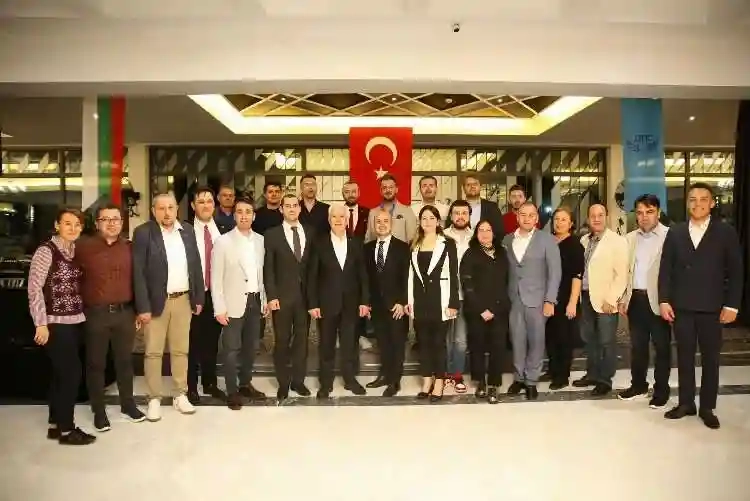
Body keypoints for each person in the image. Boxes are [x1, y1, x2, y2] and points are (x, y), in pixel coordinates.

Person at [659, 182, 742, 429]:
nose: (698, 204)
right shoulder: (676, 232)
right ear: (687, 204)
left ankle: (707, 407)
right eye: (693, 199)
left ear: (712, 203)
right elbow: (665, 270)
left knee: (710, 359)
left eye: (703, 199)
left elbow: (736, 272)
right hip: (682, 306)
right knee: (684, 357)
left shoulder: (725, 232)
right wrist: (664, 300)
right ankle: (686, 403)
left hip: (712, 307)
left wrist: (732, 305)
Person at [132, 193, 205, 421]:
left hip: (183, 299)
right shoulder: (144, 233)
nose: (167, 213)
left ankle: (180, 394)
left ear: (177, 210)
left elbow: (195, 265)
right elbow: (138, 272)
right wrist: (142, 306)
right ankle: (154, 398)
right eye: (161, 208)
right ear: (153, 211)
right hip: (156, 302)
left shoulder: (187, 231)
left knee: (181, 350)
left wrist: (198, 297)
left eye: (170, 208)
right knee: (153, 352)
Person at [28, 208, 96, 445]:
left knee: (60, 374)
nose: (73, 228)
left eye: (77, 224)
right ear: (57, 225)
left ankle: (55, 424)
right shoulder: (46, 251)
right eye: (68, 223)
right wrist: (40, 323)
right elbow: (34, 289)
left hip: (75, 320)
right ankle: (67, 430)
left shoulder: (75, 250)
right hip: (55, 323)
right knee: (71, 374)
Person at [75, 202, 145, 432]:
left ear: (122, 223)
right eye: (105, 219)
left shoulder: (130, 248)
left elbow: (138, 280)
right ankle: (98, 410)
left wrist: (138, 309)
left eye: (115, 219)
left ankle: (128, 404)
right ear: (97, 223)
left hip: (125, 313)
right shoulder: (83, 247)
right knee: (96, 364)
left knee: (124, 362)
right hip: (95, 314)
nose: (111, 223)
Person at [307, 204, 370, 398]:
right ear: (329, 220)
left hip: (351, 304)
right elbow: (312, 276)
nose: (338, 220)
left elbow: (363, 275)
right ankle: (325, 384)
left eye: (341, 217)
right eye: (334, 217)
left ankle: (350, 380)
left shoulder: (356, 243)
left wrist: (364, 301)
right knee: (326, 345)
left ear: (347, 220)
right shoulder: (319, 243)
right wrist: (313, 304)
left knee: (350, 344)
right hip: (326, 304)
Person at [211, 197, 267, 410]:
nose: (244, 216)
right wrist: (219, 307)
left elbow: (262, 274)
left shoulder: (260, 241)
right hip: (232, 302)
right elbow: (216, 279)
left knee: (251, 347)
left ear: (254, 216)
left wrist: (264, 299)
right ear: (234, 216)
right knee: (231, 349)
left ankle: (245, 383)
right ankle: (232, 391)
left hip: (255, 300)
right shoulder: (223, 242)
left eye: (248, 212)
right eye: (240, 212)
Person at [503, 202, 561, 400]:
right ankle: (519, 377)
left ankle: (531, 381)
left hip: (538, 299)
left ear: (536, 218)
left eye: (531, 215)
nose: (527, 218)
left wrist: (550, 300)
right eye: (523, 214)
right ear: (517, 217)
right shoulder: (507, 240)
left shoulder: (547, 240)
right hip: (514, 299)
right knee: (517, 340)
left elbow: (555, 272)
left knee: (536, 341)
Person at [617, 195, 671, 407]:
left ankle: (661, 390)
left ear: (658, 212)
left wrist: (670, 300)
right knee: (638, 347)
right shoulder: (629, 239)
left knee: (662, 348)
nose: (644, 217)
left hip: (660, 301)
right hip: (636, 300)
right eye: (640, 213)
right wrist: (623, 298)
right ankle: (638, 385)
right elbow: (626, 271)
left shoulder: (670, 236)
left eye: (649, 212)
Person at [406, 205, 459, 402]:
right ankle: (427, 381)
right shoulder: (414, 244)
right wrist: (409, 301)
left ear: (438, 221)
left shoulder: (448, 243)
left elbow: (453, 274)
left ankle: (439, 383)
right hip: (420, 300)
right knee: (424, 343)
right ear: (419, 222)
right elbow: (411, 275)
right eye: (424, 218)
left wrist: (453, 302)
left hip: (440, 299)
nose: (427, 221)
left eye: (431, 218)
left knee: (438, 343)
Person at [263, 194, 315, 400]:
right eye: (288, 206)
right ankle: (283, 383)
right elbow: (269, 268)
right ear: (281, 209)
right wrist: (271, 295)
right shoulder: (272, 234)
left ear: (300, 209)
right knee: (282, 341)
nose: (292, 209)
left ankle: (298, 381)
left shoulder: (310, 232)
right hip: (282, 298)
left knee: (302, 341)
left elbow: (313, 267)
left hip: (305, 298)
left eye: (295, 205)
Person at [574, 203, 628, 396]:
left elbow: (622, 274)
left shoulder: (617, 241)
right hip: (586, 296)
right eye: (593, 215)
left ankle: (605, 379)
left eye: (600, 215)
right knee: (589, 339)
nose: (596, 219)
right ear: (588, 218)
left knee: (606, 341)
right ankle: (592, 373)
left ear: (607, 217)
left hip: (606, 299)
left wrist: (612, 299)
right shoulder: (583, 240)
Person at [460, 219, 510, 404]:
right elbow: (467, 284)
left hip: (499, 309)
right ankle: (480, 381)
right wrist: (481, 309)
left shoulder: (503, 253)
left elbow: (507, 282)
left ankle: (494, 385)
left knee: (498, 347)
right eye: (481, 230)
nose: (485, 233)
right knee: (477, 347)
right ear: (476, 234)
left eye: (488, 230)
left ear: (494, 233)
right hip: (476, 310)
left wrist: (495, 309)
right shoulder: (470, 254)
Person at [363, 209, 410, 396]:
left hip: (396, 306)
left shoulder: (402, 247)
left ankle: (395, 380)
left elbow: (407, 277)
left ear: (391, 224)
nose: (381, 225)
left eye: (385, 221)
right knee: (382, 342)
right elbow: (365, 278)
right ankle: (384, 375)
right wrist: (366, 302)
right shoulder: (367, 248)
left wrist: (402, 302)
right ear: (374, 225)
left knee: (397, 343)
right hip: (377, 306)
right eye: (378, 222)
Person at [187, 187, 225, 404]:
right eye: (200, 202)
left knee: (212, 341)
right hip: (193, 295)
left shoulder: (223, 229)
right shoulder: (184, 231)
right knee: (191, 342)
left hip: (216, 295)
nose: (205, 205)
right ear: (193, 205)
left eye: (209, 201)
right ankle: (191, 386)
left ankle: (210, 383)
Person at [543, 206, 584, 390]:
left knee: (564, 338)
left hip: (567, 298)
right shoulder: (548, 242)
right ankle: (553, 369)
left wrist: (572, 303)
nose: (559, 223)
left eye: (564, 219)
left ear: (571, 223)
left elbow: (577, 276)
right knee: (550, 337)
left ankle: (562, 375)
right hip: (549, 298)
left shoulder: (575, 245)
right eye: (556, 219)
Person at [442, 200, 474, 393]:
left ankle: (457, 374)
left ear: (469, 216)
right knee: (445, 338)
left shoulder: (475, 236)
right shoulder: (442, 235)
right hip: (446, 294)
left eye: (464, 213)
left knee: (461, 339)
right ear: (451, 216)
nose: (460, 216)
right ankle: (445, 374)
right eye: (456, 213)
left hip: (467, 296)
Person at [365, 174, 417, 243]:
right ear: (380, 191)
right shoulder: (373, 212)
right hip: (379, 249)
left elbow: (412, 239)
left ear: (396, 190)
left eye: (391, 187)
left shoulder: (407, 211)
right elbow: (369, 239)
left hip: (400, 250)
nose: (388, 190)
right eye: (384, 188)